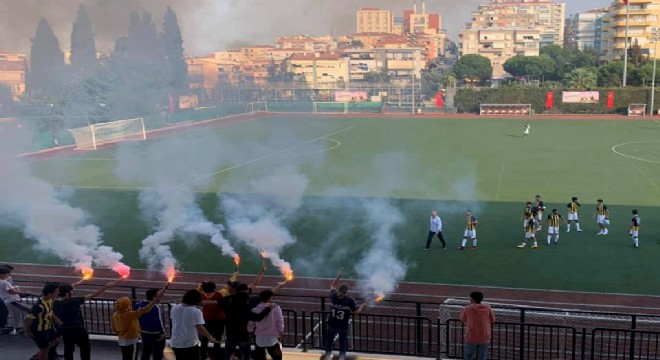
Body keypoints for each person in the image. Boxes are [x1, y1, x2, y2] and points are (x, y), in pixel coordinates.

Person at [54, 279, 120, 360]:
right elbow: (92, 295)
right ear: (68, 293)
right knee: (85, 347)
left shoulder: (55, 302)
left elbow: (62, 293)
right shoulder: (72, 301)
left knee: (68, 349)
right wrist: (106, 287)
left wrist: (70, 287)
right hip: (77, 329)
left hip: (64, 329)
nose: (73, 292)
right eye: (71, 291)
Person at [218, 282, 272, 360]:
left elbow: (220, 302)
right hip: (243, 336)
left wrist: (232, 296)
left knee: (228, 354)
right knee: (245, 355)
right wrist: (268, 309)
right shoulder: (245, 309)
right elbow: (258, 318)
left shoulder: (229, 305)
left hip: (230, 334)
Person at [324, 269, 366, 360]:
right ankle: (341, 358)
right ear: (346, 292)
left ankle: (328, 356)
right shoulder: (350, 300)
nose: (339, 294)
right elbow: (356, 313)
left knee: (329, 342)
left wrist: (338, 277)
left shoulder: (334, 295)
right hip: (342, 326)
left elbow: (332, 285)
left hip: (332, 324)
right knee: (342, 344)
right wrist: (362, 307)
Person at [112, 289, 164, 360]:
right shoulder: (129, 314)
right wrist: (156, 300)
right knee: (133, 356)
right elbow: (145, 309)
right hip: (132, 339)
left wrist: (121, 333)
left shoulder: (115, 315)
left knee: (126, 356)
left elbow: (113, 327)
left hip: (122, 339)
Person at [169, 290, 217, 359]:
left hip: (175, 342)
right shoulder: (195, 311)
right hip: (189, 343)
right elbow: (200, 327)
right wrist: (210, 337)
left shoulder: (174, 307)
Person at [25, 283, 62, 360]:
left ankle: (39, 355)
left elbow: (50, 312)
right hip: (40, 330)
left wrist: (57, 320)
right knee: (44, 349)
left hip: (48, 327)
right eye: (56, 292)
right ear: (49, 294)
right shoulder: (39, 306)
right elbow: (28, 319)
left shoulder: (50, 301)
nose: (58, 293)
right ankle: (41, 354)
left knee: (56, 340)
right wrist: (28, 332)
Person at [248, 290, 284, 360]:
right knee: (277, 357)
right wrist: (281, 332)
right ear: (270, 298)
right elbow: (280, 322)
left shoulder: (255, 310)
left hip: (259, 339)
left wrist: (251, 331)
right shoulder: (276, 308)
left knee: (260, 356)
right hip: (273, 338)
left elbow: (251, 324)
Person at [460, 291, 495, 360]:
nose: (469, 300)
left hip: (471, 336)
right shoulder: (488, 308)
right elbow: (493, 319)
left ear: (473, 299)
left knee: (468, 355)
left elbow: (462, 318)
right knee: (482, 357)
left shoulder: (468, 308)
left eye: (470, 298)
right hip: (485, 336)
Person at [136, 289, 167, 360]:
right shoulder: (156, 307)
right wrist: (163, 333)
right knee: (157, 354)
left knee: (146, 352)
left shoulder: (138, 305)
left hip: (143, 332)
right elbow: (159, 321)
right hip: (155, 334)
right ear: (153, 297)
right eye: (158, 296)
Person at [199, 281, 225, 360]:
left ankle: (203, 356)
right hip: (219, 320)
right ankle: (216, 356)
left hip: (207, 320)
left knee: (204, 339)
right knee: (217, 339)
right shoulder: (218, 295)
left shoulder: (202, 296)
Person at [0, 265, 27, 335]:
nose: (9, 275)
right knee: (17, 314)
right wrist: (22, 292)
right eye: (7, 273)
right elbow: (11, 291)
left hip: (7, 300)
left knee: (14, 314)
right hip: (12, 300)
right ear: (2, 274)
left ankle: (16, 327)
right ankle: (19, 328)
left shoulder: (2, 281)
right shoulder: (5, 282)